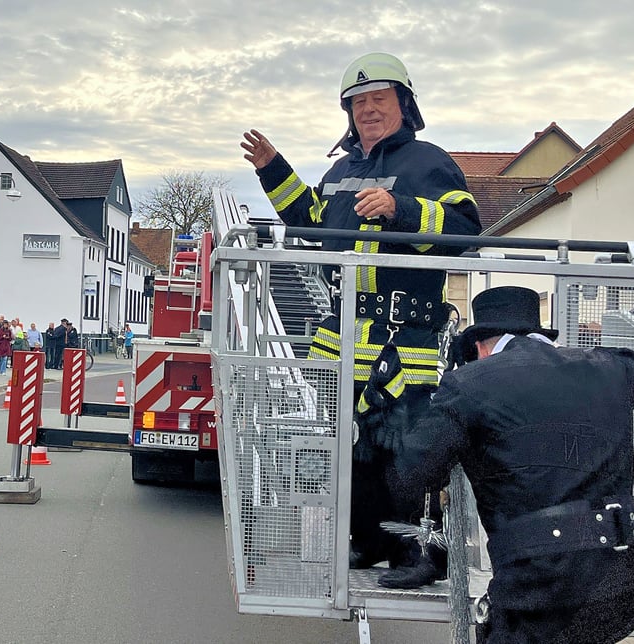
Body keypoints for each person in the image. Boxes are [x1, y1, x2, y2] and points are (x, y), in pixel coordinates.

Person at [241, 52, 482, 587]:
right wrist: (273, 170)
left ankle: (421, 555)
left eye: (379, 100)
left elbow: (466, 229)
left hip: (407, 340)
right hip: (342, 338)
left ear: (404, 105)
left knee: (406, 452)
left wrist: (402, 208)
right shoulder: (340, 172)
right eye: (358, 103)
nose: (368, 110)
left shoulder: (430, 163)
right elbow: (312, 225)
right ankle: (370, 542)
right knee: (351, 451)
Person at [389, 286, 634, 642]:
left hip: (541, 586)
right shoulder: (612, 368)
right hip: (626, 577)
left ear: (481, 345)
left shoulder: (470, 385)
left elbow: (411, 474)